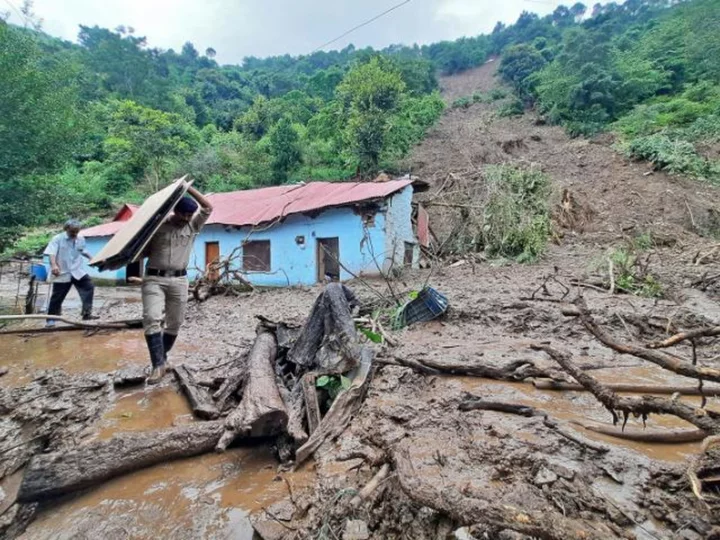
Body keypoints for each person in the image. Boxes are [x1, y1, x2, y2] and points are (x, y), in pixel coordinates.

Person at [142, 186, 213, 383]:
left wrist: (188, 188)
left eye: (190, 215)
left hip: (180, 280)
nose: (187, 218)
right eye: (184, 214)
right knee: (151, 317)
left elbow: (208, 207)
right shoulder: (156, 226)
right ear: (175, 211)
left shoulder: (193, 226)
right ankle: (157, 366)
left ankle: (162, 359)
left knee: (175, 322)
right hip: (154, 279)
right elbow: (141, 250)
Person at [44, 219, 97, 327]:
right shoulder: (57, 239)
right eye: (72, 231)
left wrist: (92, 258)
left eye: (76, 231)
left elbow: (83, 250)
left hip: (77, 270)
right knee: (57, 296)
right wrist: (54, 265)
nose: (74, 234)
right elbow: (51, 253)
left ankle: (86, 313)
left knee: (89, 287)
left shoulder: (80, 239)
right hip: (62, 271)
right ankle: (51, 319)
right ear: (66, 229)